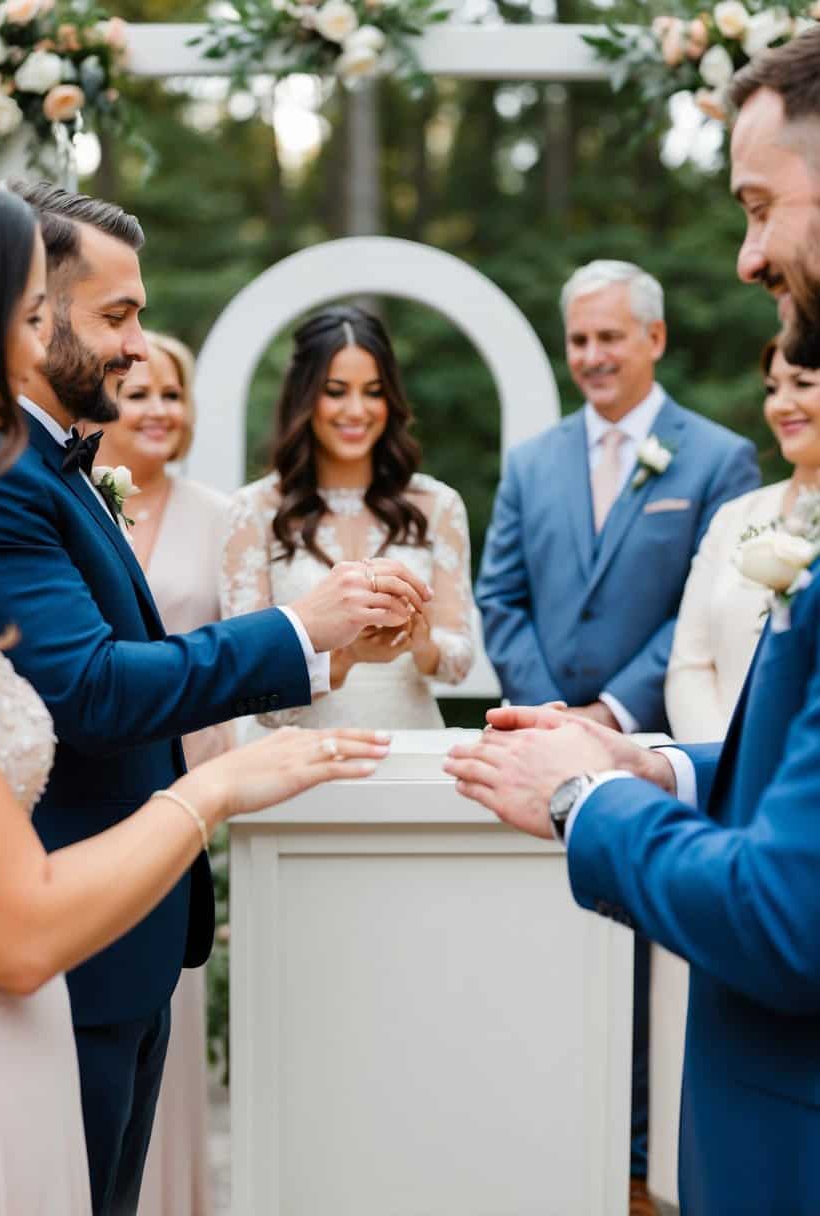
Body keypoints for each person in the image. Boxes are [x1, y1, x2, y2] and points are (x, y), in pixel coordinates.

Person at [0, 182, 431, 1216]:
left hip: (120, 949)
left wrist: (328, 650)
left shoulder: (57, 467)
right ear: (31, 314)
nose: (140, 346)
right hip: (58, 947)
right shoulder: (8, 478)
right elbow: (89, 688)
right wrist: (291, 631)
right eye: (117, 315)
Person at [445, 27, 820, 1215]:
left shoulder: (711, 459)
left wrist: (581, 793)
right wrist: (641, 759)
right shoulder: (533, 459)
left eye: (761, 207)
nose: (749, 256)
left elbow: (785, 914)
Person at [475, 258, 759, 1214]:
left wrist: (608, 719)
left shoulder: (716, 458)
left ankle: (638, 1163)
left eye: (609, 337)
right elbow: (497, 598)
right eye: (579, 339)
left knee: (643, 964)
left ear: (655, 340)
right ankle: (546, 1137)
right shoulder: (530, 461)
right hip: (540, 733)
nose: (591, 357)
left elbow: (702, 610)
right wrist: (549, 711)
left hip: (648, 746)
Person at [95, 332, 231, 1216]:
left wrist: (205, 788)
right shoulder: (72, 505)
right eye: (137, 391)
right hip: (82, 788)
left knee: (165, 1024)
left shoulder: (221, 516)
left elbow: (232, 658)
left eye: (170, 395)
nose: (155, 409)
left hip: (185, 786)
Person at [221, 305, 474, 731]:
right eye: (336, 391)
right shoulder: (254, 512)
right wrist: (345, 658)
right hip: (294, 761)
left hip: (409, 753)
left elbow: (458, 660)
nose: (357, 410)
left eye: (373, 391)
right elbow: (254, 692)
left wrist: (421, 643)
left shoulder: (438, 505)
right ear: (304, 396)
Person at [667, 336, 819, 742]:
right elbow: (689, 664)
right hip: (724, 774)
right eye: (772, 389)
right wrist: (723, 764)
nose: (781, 404)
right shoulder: (735, 518)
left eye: (802, 384)